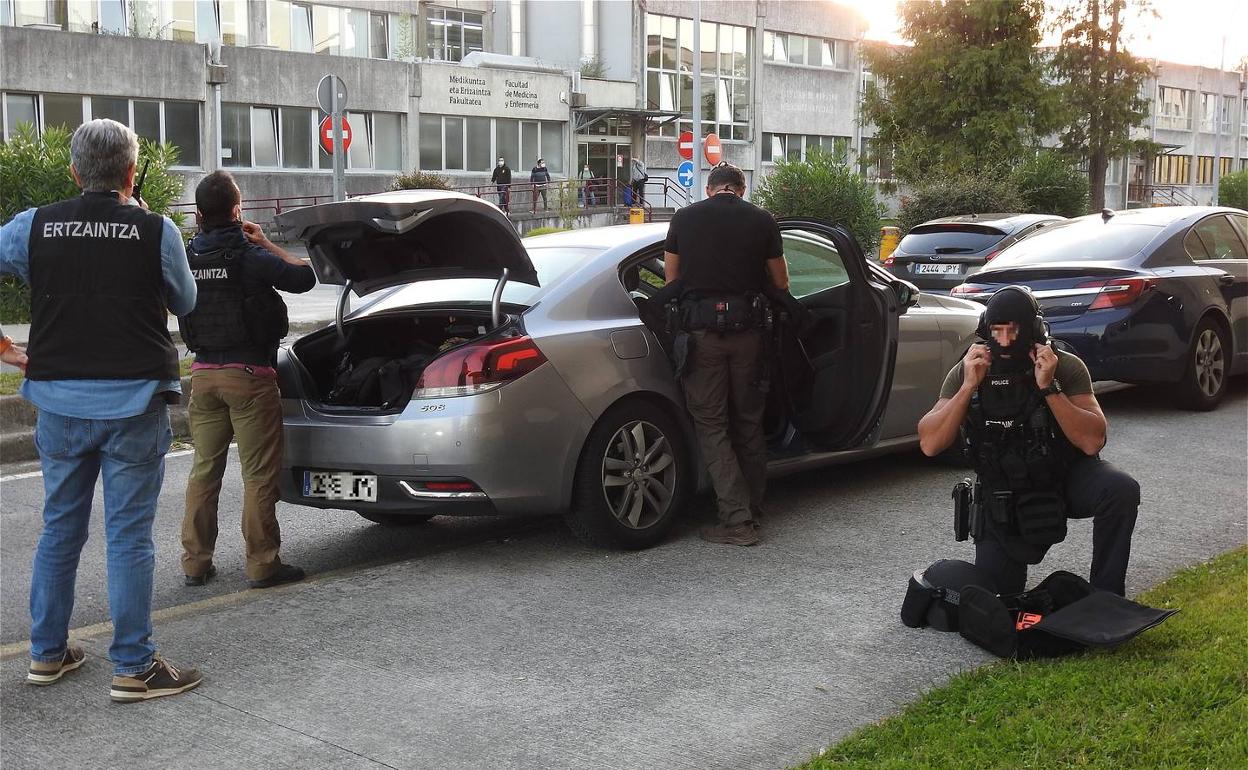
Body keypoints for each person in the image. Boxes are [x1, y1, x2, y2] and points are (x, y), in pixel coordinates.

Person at [0, 118, 203, 701]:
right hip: (133, 402)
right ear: (131, 173)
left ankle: (47, 654)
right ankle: (134, 666)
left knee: (59, 529)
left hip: (58, 401)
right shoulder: (155, 229)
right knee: (128, 536)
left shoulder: (32, 226)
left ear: (73, 172)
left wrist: (6, 350)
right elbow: (186, 301)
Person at [916, 286, 1139, 596]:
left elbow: (1092, 441)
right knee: (1001, 596)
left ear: (1033, 330)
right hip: (1004, 492)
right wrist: (968, 387)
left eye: (1014, 330)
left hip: (1063, 477)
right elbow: (930, 443)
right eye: (997, 331)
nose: (1005, 341)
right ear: (985, 331)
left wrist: (1049, 387)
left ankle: (1107, 598)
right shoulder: (970, 369)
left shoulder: (1064, 365)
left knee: (1119, 489)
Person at [178, 170, 316, 590]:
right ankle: (262, 564)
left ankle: (195, 563)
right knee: (257, 475)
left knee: (204, 471)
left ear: (199, 215)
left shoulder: (186, 257)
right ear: (238, 210)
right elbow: (304, 277)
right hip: (250, 377)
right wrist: (267, 242)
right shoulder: (250, 256)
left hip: (202, 376)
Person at [663, 162, 790, 547]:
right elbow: (781, 282)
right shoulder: (762, 220)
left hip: (703, 337)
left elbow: (671, 280)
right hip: (749, 335)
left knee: (712, 424)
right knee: (748, 421)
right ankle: (750, 508)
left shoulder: (684, 219)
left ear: (709, 188)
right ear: (742, 188)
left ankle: (736, 520)